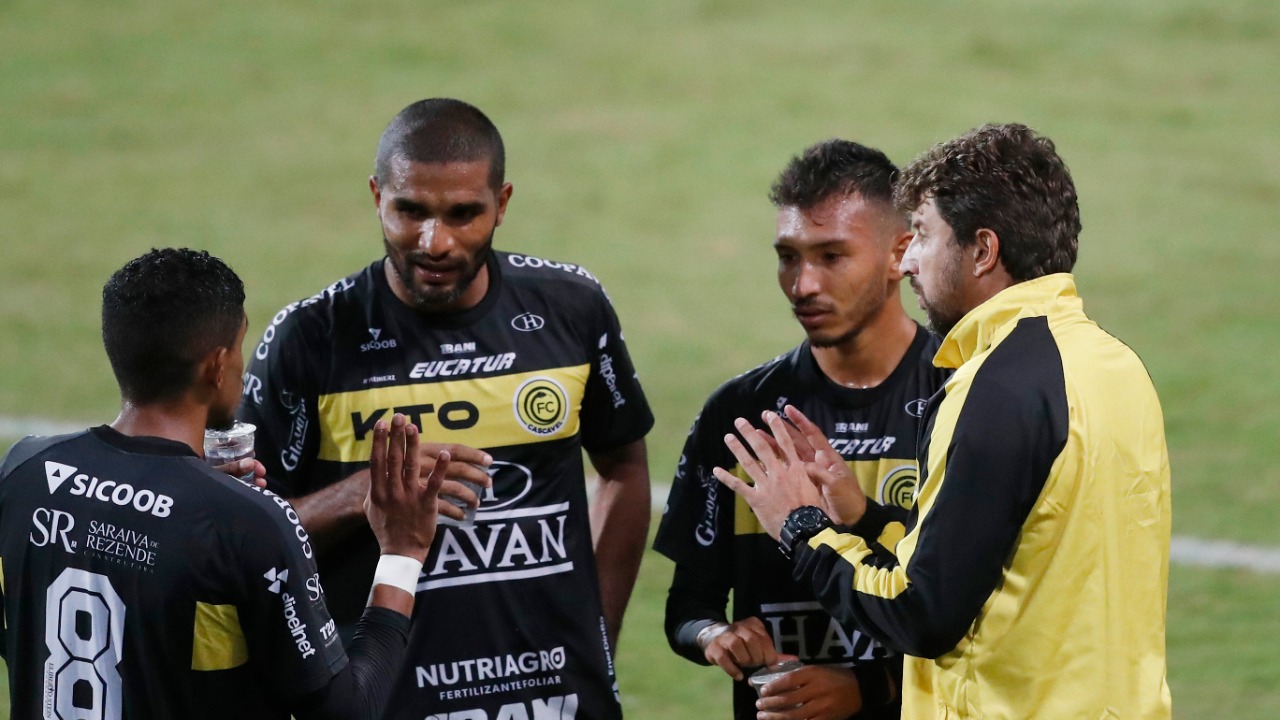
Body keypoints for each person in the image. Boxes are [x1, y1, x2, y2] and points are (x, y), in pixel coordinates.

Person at [715, 123, 1172, 719]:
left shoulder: (991, 387)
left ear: (982, 250)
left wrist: (802, 527)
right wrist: (867, 518)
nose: (906, 263)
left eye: (924, 236)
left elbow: (921, 615)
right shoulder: (1116, 365)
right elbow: (1021, 553)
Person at [238, 98, 654, 720]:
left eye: (464, 214)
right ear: (377, 196)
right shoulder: (310, 339)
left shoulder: (573, 309)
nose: (436, 242)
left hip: (556, 696)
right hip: (386, 698)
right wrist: (359, 495)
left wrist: (599, 633)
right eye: (411, 211)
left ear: (502, 203)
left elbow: (623, 466)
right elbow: (242, 536)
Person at [0, 248, 449, 720]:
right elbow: (348, 713)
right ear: (217, 366)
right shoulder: (247, 522)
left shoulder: (24, 469)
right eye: (239, 347)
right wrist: (402, 551)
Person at [653, 139, 949, 720]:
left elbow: (987, 610)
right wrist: (715, 635)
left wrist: (872, 685)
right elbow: (688, 605)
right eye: (788, 256)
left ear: (901, 254)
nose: (802, 285)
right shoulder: (739, 413)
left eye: (832, 256)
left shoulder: (962, 393)